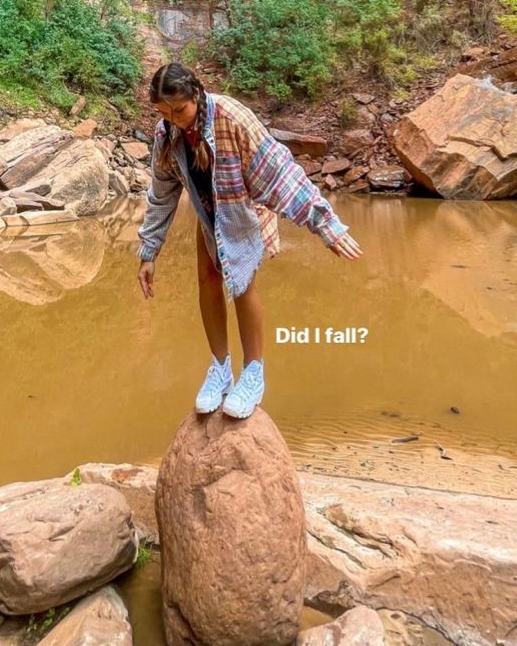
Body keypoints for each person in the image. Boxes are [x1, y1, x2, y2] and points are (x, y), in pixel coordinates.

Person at [137, 63, 362, 419]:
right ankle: (220, 368)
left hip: (242, 209)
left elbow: (279, 170)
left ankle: (254, 373)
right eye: (164, 112)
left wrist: (325, 225)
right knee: (207, 280)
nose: (173, 119)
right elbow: (162, 192)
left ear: (196, 94)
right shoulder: (167, 132)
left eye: (179, 110)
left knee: (242, 285)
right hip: (208, 211)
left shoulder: (232, 117)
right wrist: (149, 251)